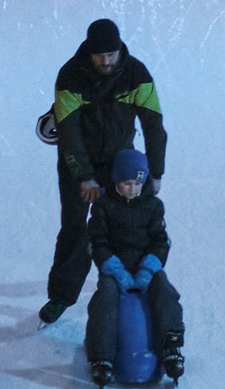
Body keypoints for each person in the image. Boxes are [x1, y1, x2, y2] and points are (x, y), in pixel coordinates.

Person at [40, 19, 167, 325]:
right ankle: (62, 295)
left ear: (119, 48)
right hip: (77, 161)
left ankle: (132, 288)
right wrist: (83, 175)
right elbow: (68, 133)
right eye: (100, 56)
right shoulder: (70, 76)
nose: (106, 61)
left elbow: (154, 126)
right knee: (74, 227)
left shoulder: (136, 75)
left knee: (129, 223)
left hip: (119, 163)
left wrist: (155, 171)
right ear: (90, 53)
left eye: (111, 54)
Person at [84, 149, 183, 384]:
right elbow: (97, 242)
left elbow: (161, 241)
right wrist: (114, 268)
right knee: (105, 299)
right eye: (127, 183)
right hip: (114, 266)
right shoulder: (102, 207)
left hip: (145, 264)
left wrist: (149, 268)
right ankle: (102, 357)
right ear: (117, 180)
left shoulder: (153, 206)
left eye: (138, 183)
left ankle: (171, 344)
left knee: (165, 292)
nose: (133, 189)